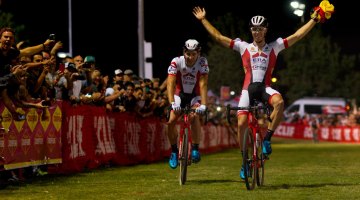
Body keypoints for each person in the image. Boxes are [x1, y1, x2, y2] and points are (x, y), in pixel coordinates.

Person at [192, 5, 332, 179]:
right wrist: (203, 19)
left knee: (279, 103)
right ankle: (244, 161)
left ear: (265, 30)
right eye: (253, 29)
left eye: (259, 29)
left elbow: (297, 35)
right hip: (247, 90)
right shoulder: (243, 47)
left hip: (265, 88)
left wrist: (314, 19)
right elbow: (219, 37)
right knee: (241, 122)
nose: (256, 32)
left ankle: (267, 139)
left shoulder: (275, 46)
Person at [166, 39, 209, 169]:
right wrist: (172, 102)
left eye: (193, 54)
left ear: (198, 53)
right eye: (188, 54)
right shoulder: (176, 61)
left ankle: (195, 148)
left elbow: (203, 84)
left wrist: (204, 105)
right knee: (171, 121)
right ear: (184, 52)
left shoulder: (202, 62)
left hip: (195, 95)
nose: (190, 57)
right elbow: (170, 83)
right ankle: (174, 151)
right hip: (179, 94)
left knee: (194, 116)